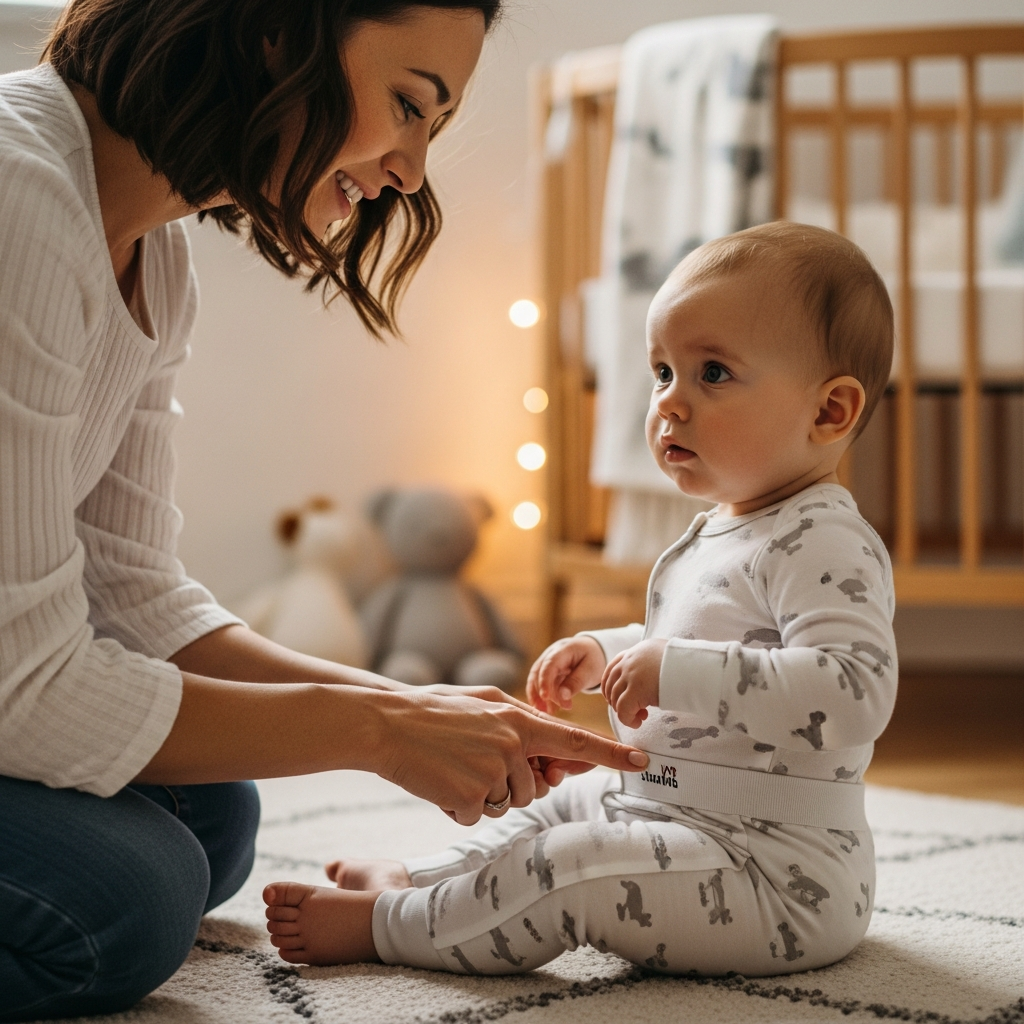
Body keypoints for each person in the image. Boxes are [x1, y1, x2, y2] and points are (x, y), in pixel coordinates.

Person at [0, 2, 650, 1019]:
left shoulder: (153, 255)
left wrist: (419, 714)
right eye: (410, 104)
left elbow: (132, 596)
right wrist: (379, 730)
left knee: (213, 816)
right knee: (131, 898)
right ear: (274, 28)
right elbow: (26, 687)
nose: (412, 172)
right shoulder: (20, 198)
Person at [263, 221, 899, 976]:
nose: (670, 403)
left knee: (572, 861)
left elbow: (853, 690)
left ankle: (390, 927)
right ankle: (418, 880)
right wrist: (608, 651)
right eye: (662, 372)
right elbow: (703, 637)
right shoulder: (726, 528)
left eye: (713, 373)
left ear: (829, 412)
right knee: (565, 808)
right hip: (671, 806)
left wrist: (673, 669)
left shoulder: (825, 540)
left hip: (773, 873)